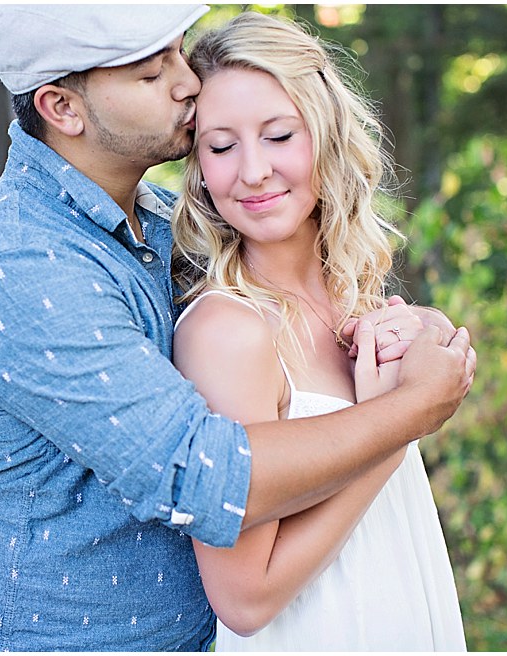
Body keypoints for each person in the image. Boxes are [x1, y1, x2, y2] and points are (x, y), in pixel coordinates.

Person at [0, 5, 474, 651]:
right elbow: (205, 477)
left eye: (178, 52)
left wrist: (410, 329)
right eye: (149, 72)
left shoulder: (162, 228)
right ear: (62, 108)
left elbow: (288, 307)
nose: (186, 81)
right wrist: (413, 408)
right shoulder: (22, 264)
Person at [170, 12, 467, 651]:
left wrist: (424, 344)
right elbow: (245, 597)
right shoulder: (228, 331)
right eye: (221, 146)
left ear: (327, 135)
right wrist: (401, 416)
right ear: (197, 166)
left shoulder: (350, 298)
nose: (252, 171)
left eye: (279, 135)